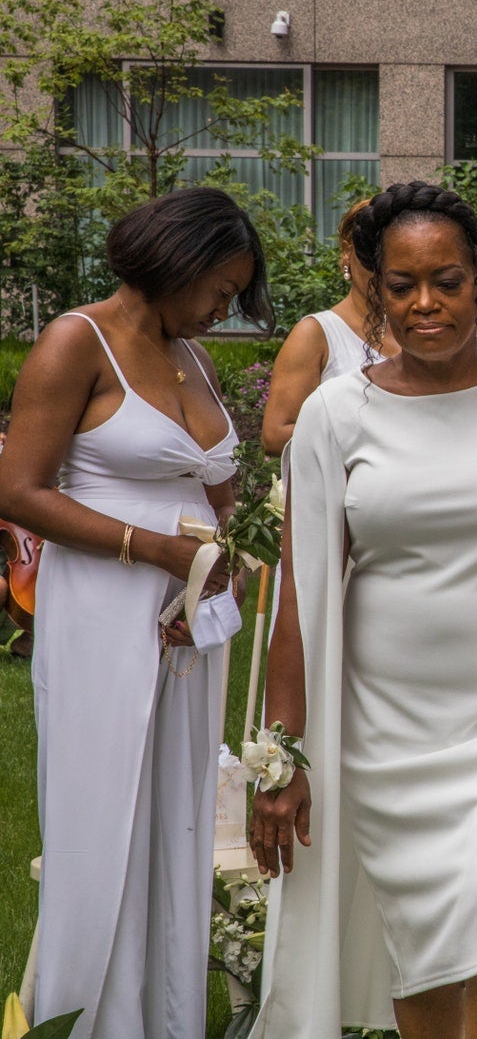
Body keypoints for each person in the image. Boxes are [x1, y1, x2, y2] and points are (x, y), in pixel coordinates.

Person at [248, 181, 477, 1038]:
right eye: (401, 283)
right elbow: (301, 587)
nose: (425, 303)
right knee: (424, 939)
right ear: (373, 286)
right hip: (388, 727)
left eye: (446, 281)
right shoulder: (335, 416)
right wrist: (284, 749)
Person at [0, 187, 268, 1037]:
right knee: (103, 812)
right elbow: (18, 489)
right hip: (103, 612)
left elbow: (221, 490)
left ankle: (170, 1017)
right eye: (220, 288)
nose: (225, 307)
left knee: (180, 817)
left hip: (187, 624)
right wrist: (152, 552)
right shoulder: (75, 342)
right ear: (176, 262)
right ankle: (87, 1016)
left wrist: (223, 569)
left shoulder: (195, 356)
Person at [260, 198, 400, 457]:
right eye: (371, 255)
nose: (383, 269)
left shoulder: (417, 332)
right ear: (347, 252)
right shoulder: (316, 334)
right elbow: (275, 436)